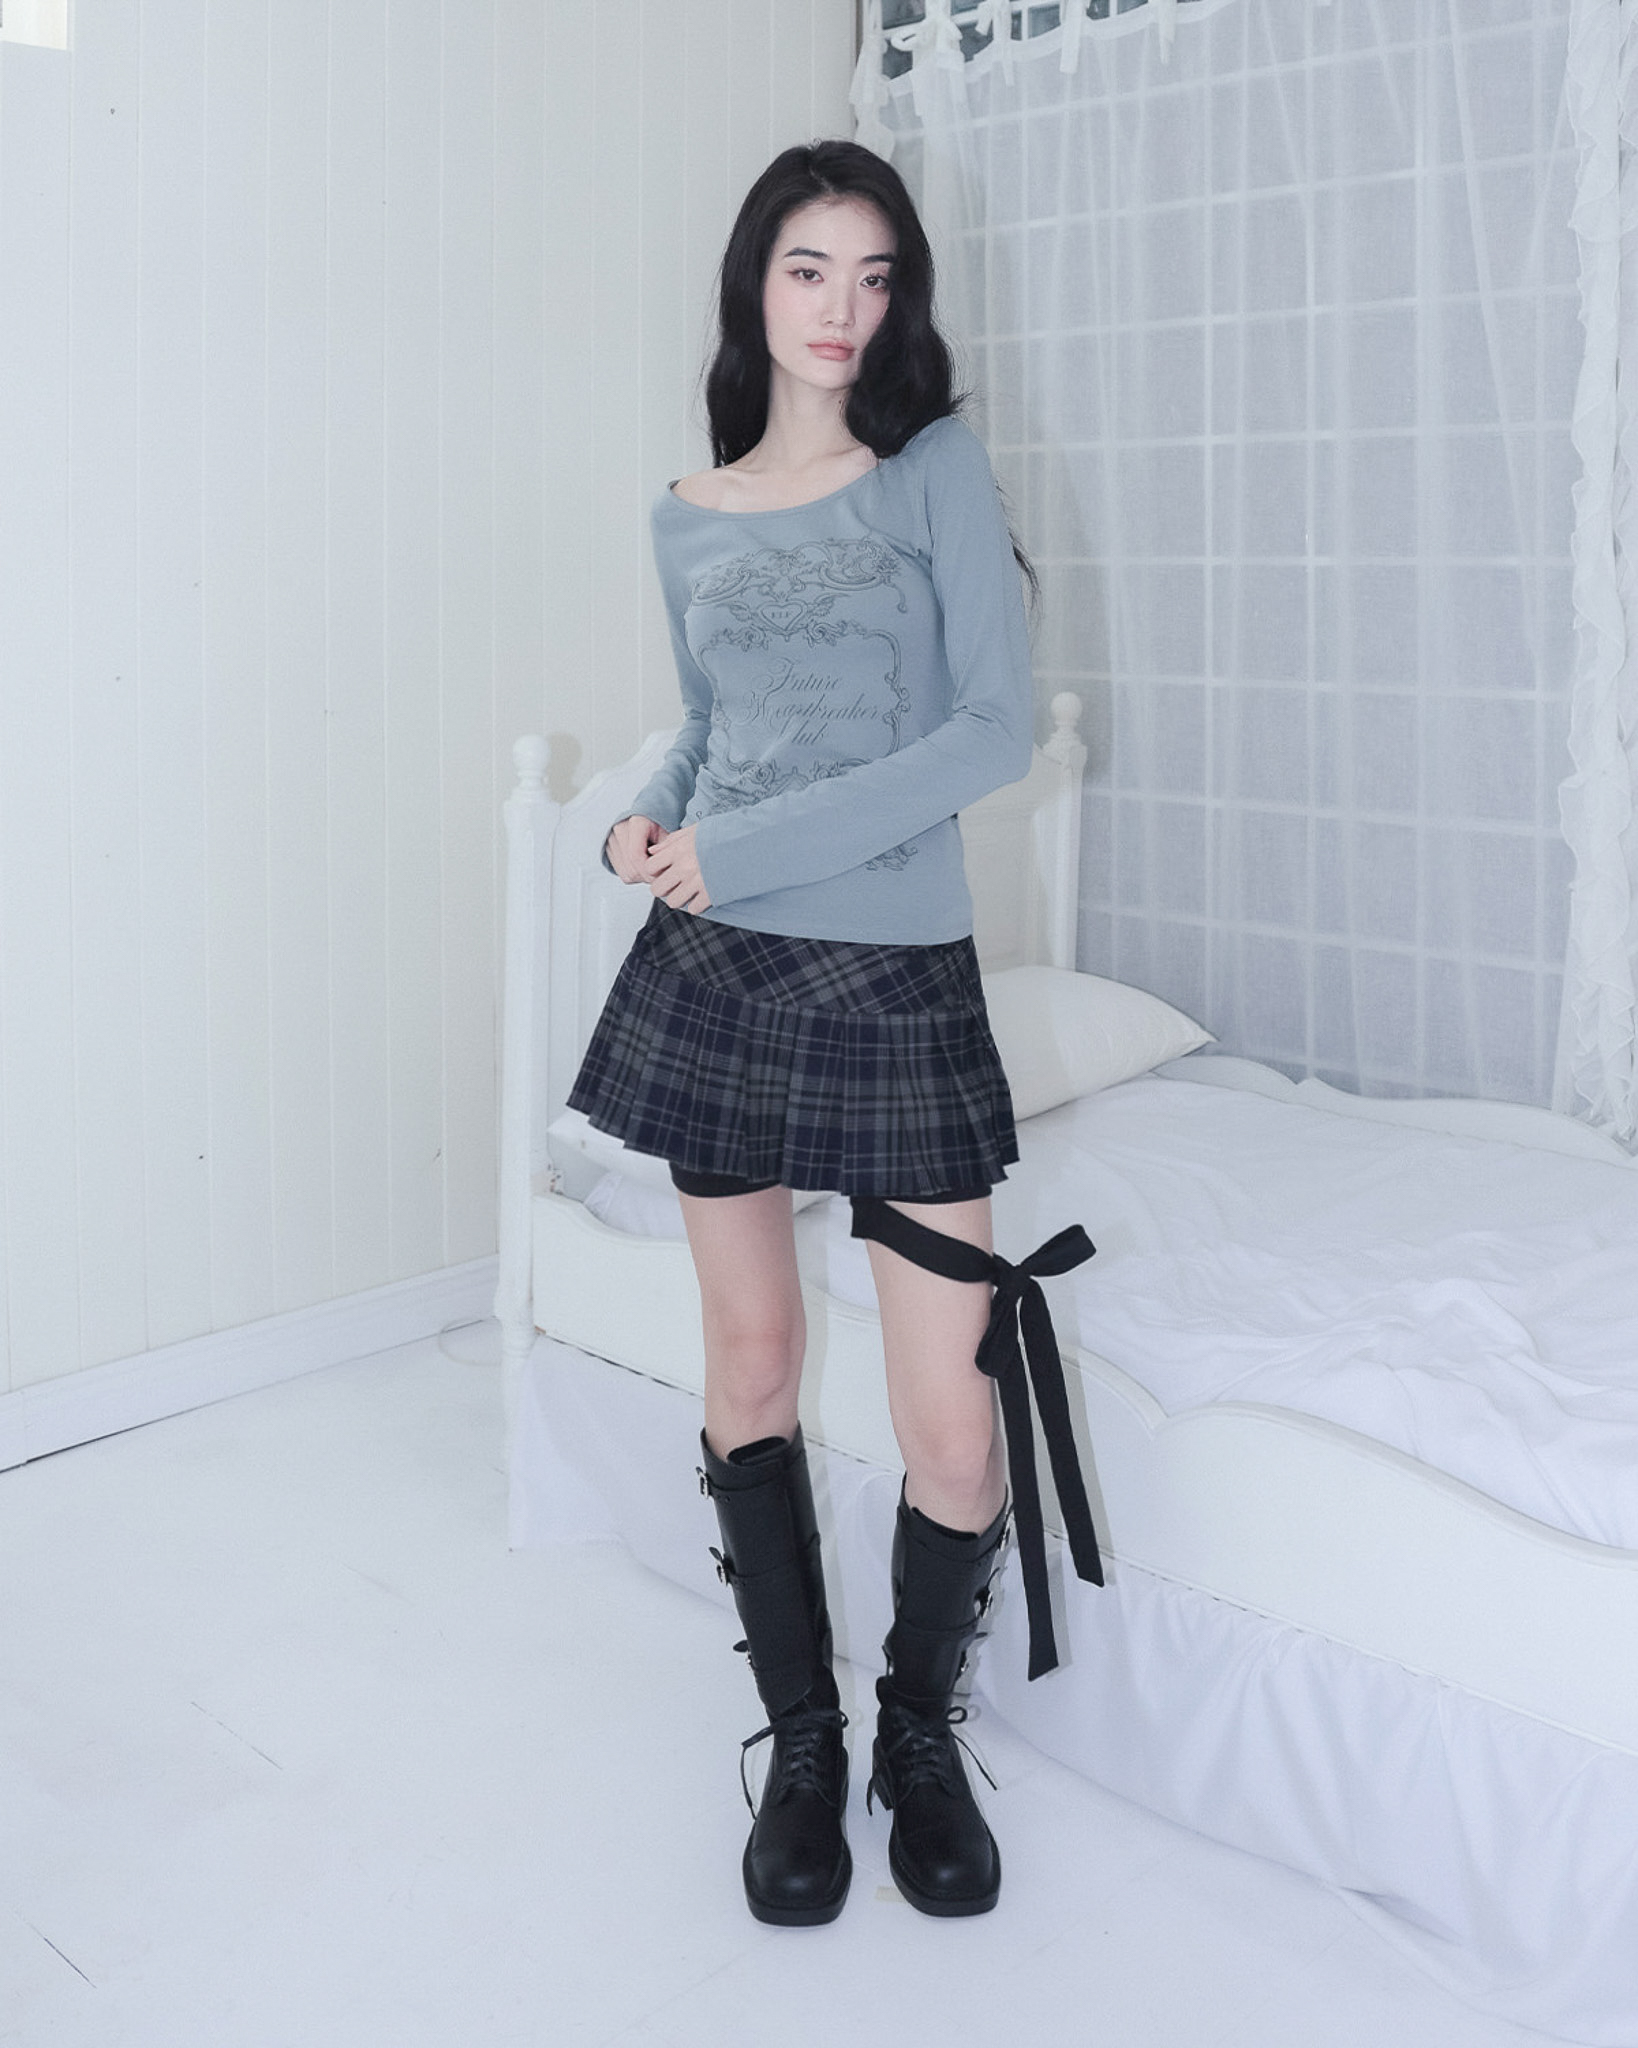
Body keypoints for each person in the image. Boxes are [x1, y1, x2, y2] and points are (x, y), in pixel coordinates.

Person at [568, 139, 1100, 1928]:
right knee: (751, 1364)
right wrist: (651, 819)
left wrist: (737, 846)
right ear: (754, 283)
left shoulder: (931, 464)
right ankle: (802, 1741)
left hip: (890, 975)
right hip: (713, 972)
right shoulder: (687, 508)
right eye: (809, 269)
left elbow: (986, 733)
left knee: (951, 1425)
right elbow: (716, 727)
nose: (842, 308)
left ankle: (914, 1738)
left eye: (874, 277)